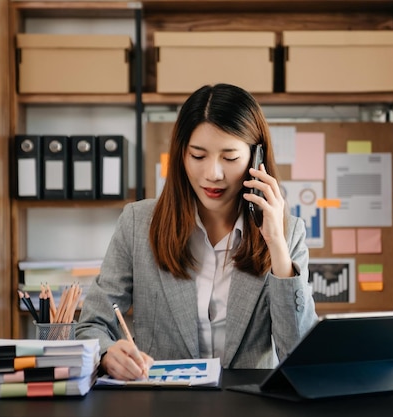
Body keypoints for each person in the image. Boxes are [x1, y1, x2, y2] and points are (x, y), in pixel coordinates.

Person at [76, 83, 317, 381]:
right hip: (163, 405)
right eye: (198, 156)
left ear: (257, 160)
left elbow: (300, 355)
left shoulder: (288, 233)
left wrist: (276, 246)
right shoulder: (137, 224)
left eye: (229, 158)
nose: (213, 174)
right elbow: (92, 325)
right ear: (181, 156)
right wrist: (107, 352)